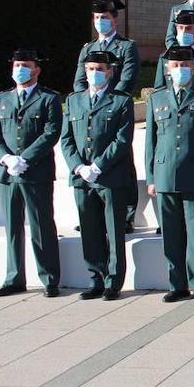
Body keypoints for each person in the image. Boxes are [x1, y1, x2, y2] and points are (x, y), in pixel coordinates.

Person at [144, 46, 194, 303]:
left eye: (185, 65)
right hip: (165, 174)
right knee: (171, 235)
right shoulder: (157, 99)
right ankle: (176, 284)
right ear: (168, 68)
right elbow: (151, 142)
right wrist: (151, 177)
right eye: (175, 65)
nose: (180, 69)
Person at [0, 48, 61, 298]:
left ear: (37, 69)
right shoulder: (2, 99)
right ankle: (14, 278)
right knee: (12, 227)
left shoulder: (48, 98)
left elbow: (51, 133)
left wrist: (25, 158)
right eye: (17, 65)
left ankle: (49, 278)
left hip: (36, 172)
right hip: (8, 174)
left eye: (26, 65)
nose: (20, 70)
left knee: (41, 226)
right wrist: (6, 158)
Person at [61, 51, 135, 301]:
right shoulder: (73, 101)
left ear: (110, 72)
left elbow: (122, 140)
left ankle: (113, 282)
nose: (95, 73)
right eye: (90, 69)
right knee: (89, 231)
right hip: (82, 178)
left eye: (100, 69)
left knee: (114, 231)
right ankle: (96, 279)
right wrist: (78, 167)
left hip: (110, 177)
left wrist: (98, 166)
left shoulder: (121, 101)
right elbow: (67, 138)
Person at [74, 0, 140, 234]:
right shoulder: (88, 49)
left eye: (104, 18)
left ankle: (126, 216)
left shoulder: (126, 47)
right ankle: (89, 215)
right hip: (90, 112)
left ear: (115, 19)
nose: (100, 22)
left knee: (122, 162)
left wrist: (109, 102)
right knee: (88, 157)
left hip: (116, 110)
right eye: (96, 18)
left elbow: (128, 79)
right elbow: (79, 82)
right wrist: (87, 104)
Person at [153, 10, 194, 92]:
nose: (184, 32)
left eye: (188, 28)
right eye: (180, 28)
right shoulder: (165, 58)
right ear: (176, 29)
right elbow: (159, 89)